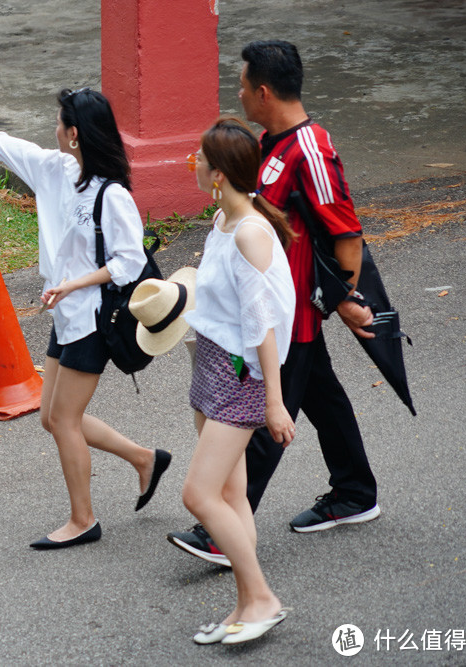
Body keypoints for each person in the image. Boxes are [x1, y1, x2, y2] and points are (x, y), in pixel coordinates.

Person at [169, 40, 380, 568]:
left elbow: (346, 233)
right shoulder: (268, 141)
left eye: (242, 85)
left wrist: (347, 299)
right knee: (322, 398)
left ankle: (223, 529)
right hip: (284, 309)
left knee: (264, 411)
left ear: (263, 91)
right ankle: (355, 493)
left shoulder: (310, 148)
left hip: (292, 313)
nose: (237, 93)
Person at [0, 88, 173, 550]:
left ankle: (83, 520)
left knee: (64, 419)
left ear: (75, 133)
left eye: (59, 121)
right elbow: (18, 150)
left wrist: (75, 283)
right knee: (51, 417)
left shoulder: (113, 196)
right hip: (65, 313)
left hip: (92, 317)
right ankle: (144, 458)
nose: (54, 128)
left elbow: (129, 262)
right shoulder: (59, 169)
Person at [179, 116, 296, 644]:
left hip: (239, 377)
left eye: (200, 158)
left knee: (199, 496)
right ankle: (245, 605)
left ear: (219, 174)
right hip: (213, 363)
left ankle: (263, 598)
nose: (194, 164)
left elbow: (261, 323)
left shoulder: (250, 232)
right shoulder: (225, 222)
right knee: (232, 494)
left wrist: (274, 401)